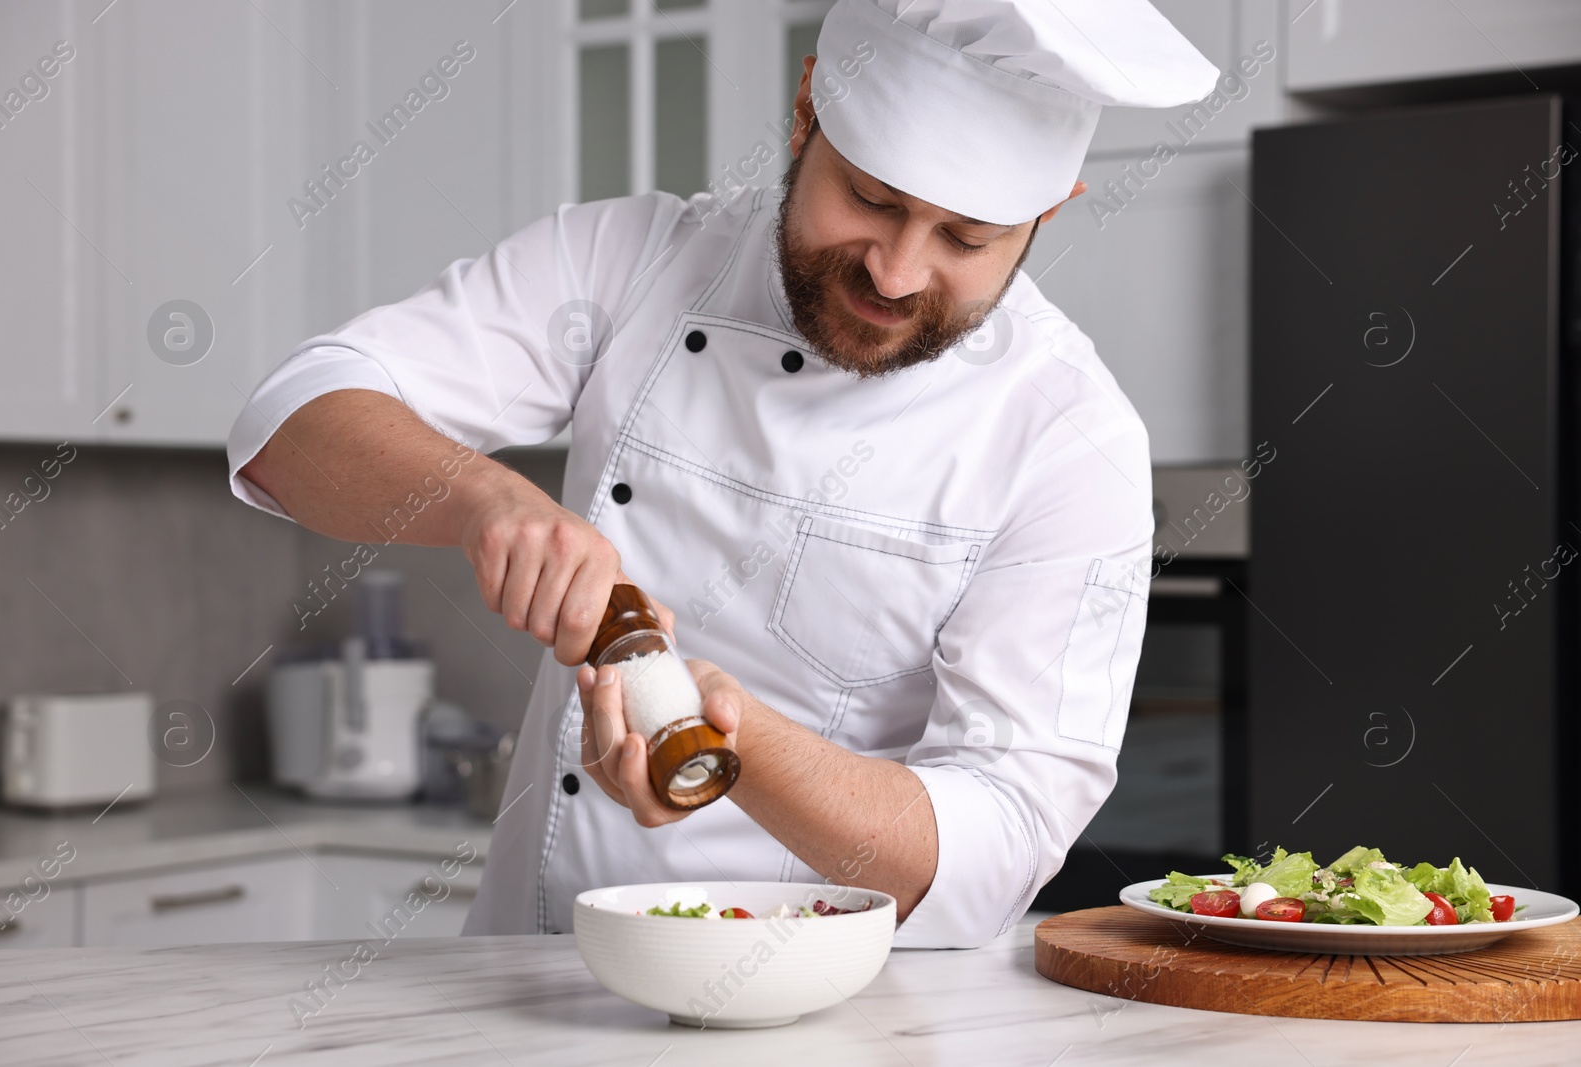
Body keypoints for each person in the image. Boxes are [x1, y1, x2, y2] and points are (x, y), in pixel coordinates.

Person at [228, 0, 1218, 948]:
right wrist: (485, 499)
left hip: (834, 1019)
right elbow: (291, 421)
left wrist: (726, 747)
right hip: (526, 984)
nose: (898, 271)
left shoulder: (1067, 437)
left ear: (1050, 210)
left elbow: (996, 843)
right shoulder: (632, 261)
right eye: (871, 199)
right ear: (805, 110)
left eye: (966, 238)